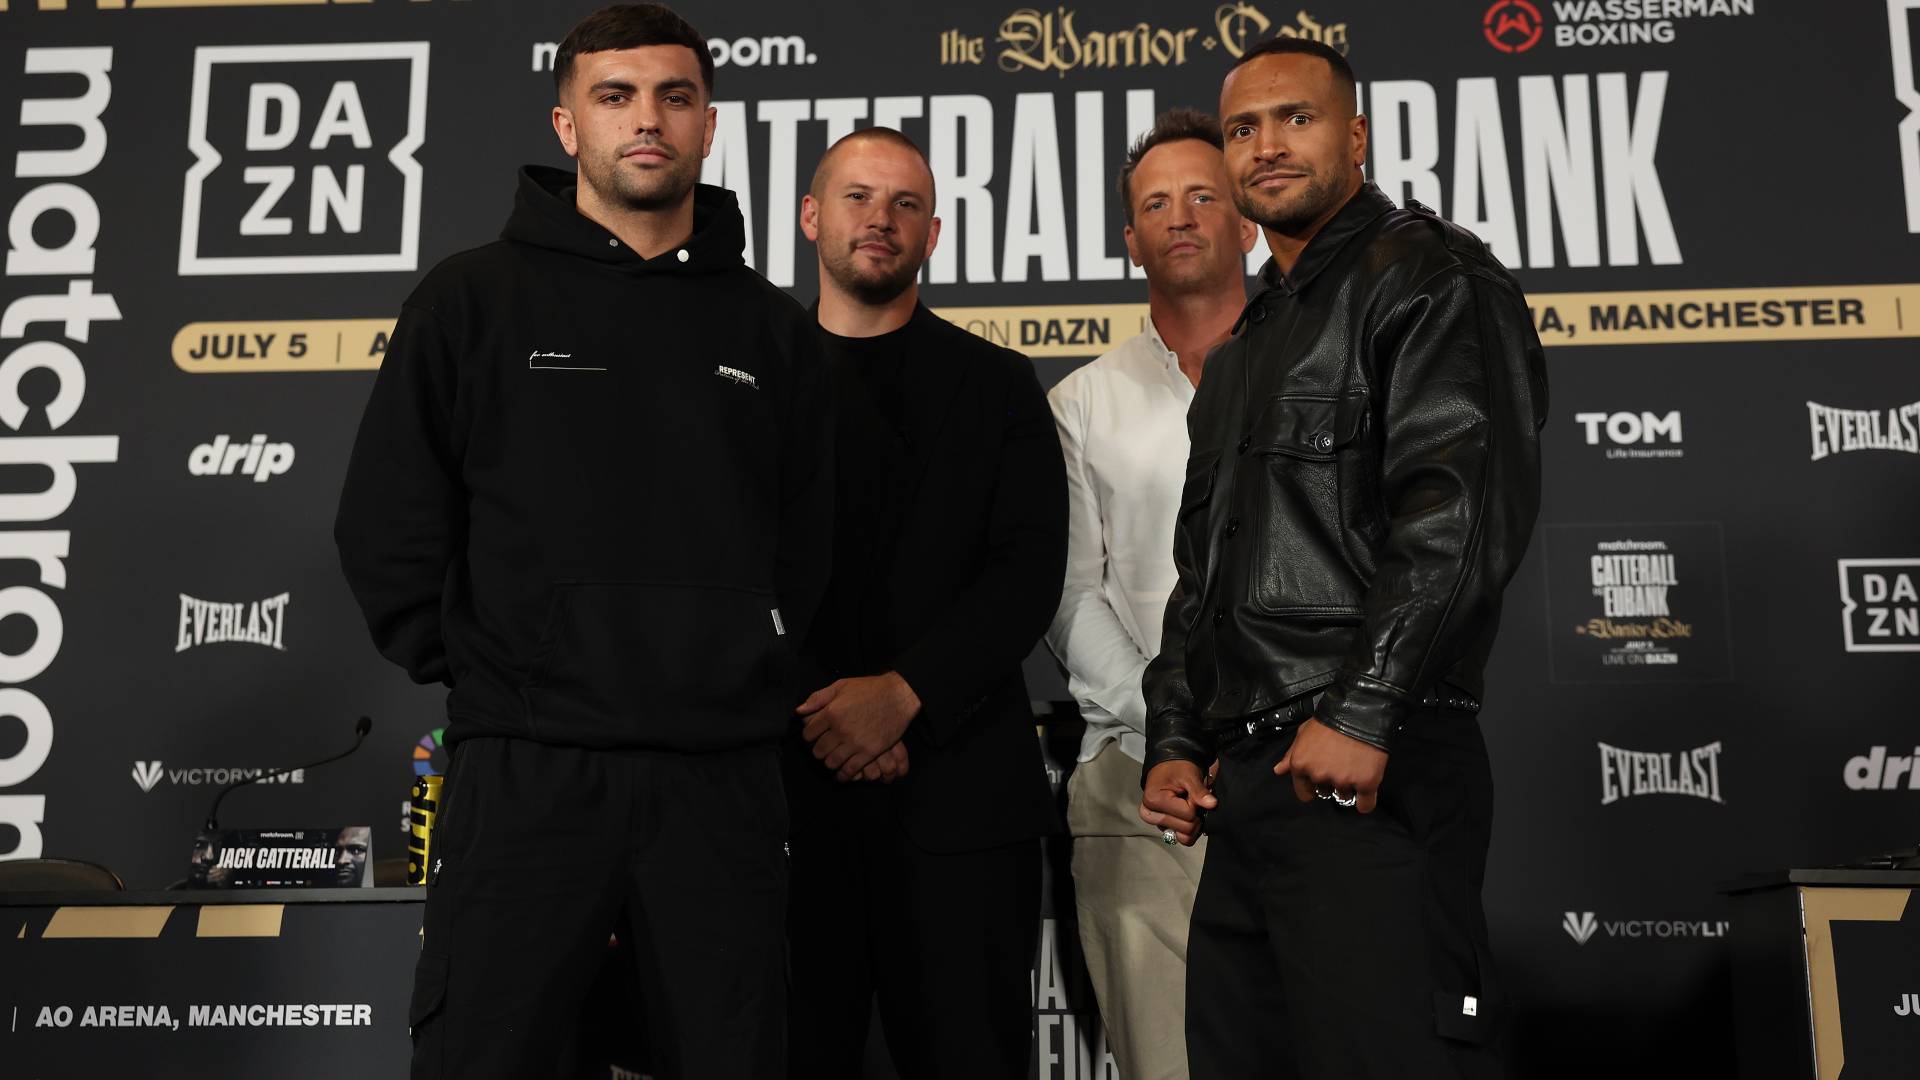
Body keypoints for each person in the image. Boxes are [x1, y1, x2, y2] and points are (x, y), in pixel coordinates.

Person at [333, 5, 831, 1077]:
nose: (646, 120)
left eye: (674, 97)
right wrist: (502, 669)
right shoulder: (469, 300)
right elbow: (387, 525)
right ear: (567, 124)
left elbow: (813, 546)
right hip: (528, 769)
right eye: (616, 96)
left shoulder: (774, 329)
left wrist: (744, 664)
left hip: (720, 779)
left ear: (708, 125)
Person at [1139, 37, 1547, 1079]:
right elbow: (1205, 571)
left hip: (1372, 767)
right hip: (1246, 791)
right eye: (1243, 128)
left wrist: (1364, 710)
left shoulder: (1431, 276)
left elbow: (1460, 517)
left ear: (1355, 136)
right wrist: (1175, 736)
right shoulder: (1244, 348)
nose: (1267, 145)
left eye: (1297, 118)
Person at [784, 126, 1067, 1079]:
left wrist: (903, 695)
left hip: (963, 806)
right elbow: (724, 578)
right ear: (811, 216)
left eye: (906, 204)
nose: (882, 219)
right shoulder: (750, 382)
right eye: (858, 197)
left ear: (934, 233)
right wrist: (830, 714)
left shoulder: (999, 385)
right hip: (780, 801)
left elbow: (1028, 573)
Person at [1043, 107, 1255, 1080]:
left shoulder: (1327, 379)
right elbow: (1069, 597)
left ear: (1247, 220)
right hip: (1138, 783)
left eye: (1204, 195)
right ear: (1130, 240)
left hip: (1313, 770)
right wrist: (1174, 728)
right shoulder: (1080, 403)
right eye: (1157, 203)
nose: (1181, 216)